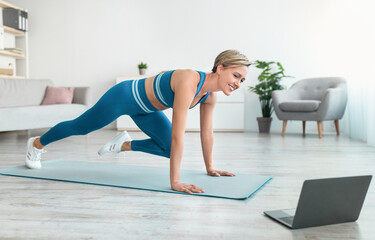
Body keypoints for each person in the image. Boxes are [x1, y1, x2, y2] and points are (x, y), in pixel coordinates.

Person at [25, 49, 251, 194]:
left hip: (147, 110)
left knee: (169, 150)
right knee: (80, 127)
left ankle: (122, 144)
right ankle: (36, 144)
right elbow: (178, 134)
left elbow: (207, 133)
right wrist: (175, 182)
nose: (238, 83)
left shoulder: (209, 96)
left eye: (242, 80)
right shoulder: (190, 80)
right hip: (124, 97)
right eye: (235, 76)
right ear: (220, 68)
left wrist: (210, 168)